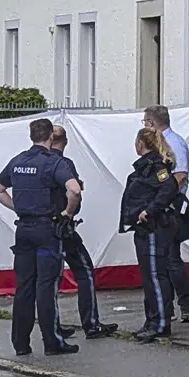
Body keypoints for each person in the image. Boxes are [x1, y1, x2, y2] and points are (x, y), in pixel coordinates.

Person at [0, 118, 82, 356]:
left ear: (31, 135)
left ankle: (20, 344)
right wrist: (67, 213)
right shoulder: (54, 162)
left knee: (24, 287)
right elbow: (74, 189)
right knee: (46, 287)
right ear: (51, 136)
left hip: (24, 230)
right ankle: (52, 342)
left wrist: (17, 208)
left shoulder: (18, 161)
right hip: (47, 230)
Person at [49, 126, 118, 340]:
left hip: (42, 227)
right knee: (85, 271)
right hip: (64, 227)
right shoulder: (63, 164)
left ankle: (53, 326)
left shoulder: (34, 161)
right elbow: (74, 191)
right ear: (65, 141)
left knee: (49, 279)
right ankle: (91, 324)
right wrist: (68, 213)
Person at [120, 128, 180, 343]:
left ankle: (161, 323)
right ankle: (152, 320)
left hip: (155, 227)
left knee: (156, 275)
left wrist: (149, 210)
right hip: (144, 228)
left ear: (140, 143)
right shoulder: (145, 166)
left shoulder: (156, 166)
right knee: (149, 276)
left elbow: (169, 188)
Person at [143, 105, 189, 322]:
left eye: (145, 122)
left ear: (153, 123)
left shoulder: (173, 143)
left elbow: (180, 174)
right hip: (160, 206)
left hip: (172, 206)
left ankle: (186, 305)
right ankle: (168, 307)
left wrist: (162, 194)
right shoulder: (157, 144)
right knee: (163, 259)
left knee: (173, 259)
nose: (144, 125)